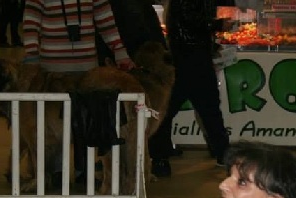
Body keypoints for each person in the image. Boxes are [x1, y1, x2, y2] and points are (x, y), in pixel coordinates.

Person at [22, 0, 134, 183]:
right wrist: (32, 54)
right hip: (52, 70)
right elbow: (31, 22)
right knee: (53, 121)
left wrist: (120, 50)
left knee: (87, 120)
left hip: (87, 70)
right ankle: (56, 171)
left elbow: (106, 21)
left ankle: (85, 170)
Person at [147, 0, 231, 178]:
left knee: (170, 110)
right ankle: (222, 152)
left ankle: (160, 158)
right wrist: (217, 25)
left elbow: (184, 23)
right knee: (208, 107)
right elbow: (191, 21)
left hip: (184, 56)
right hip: (192, 56)